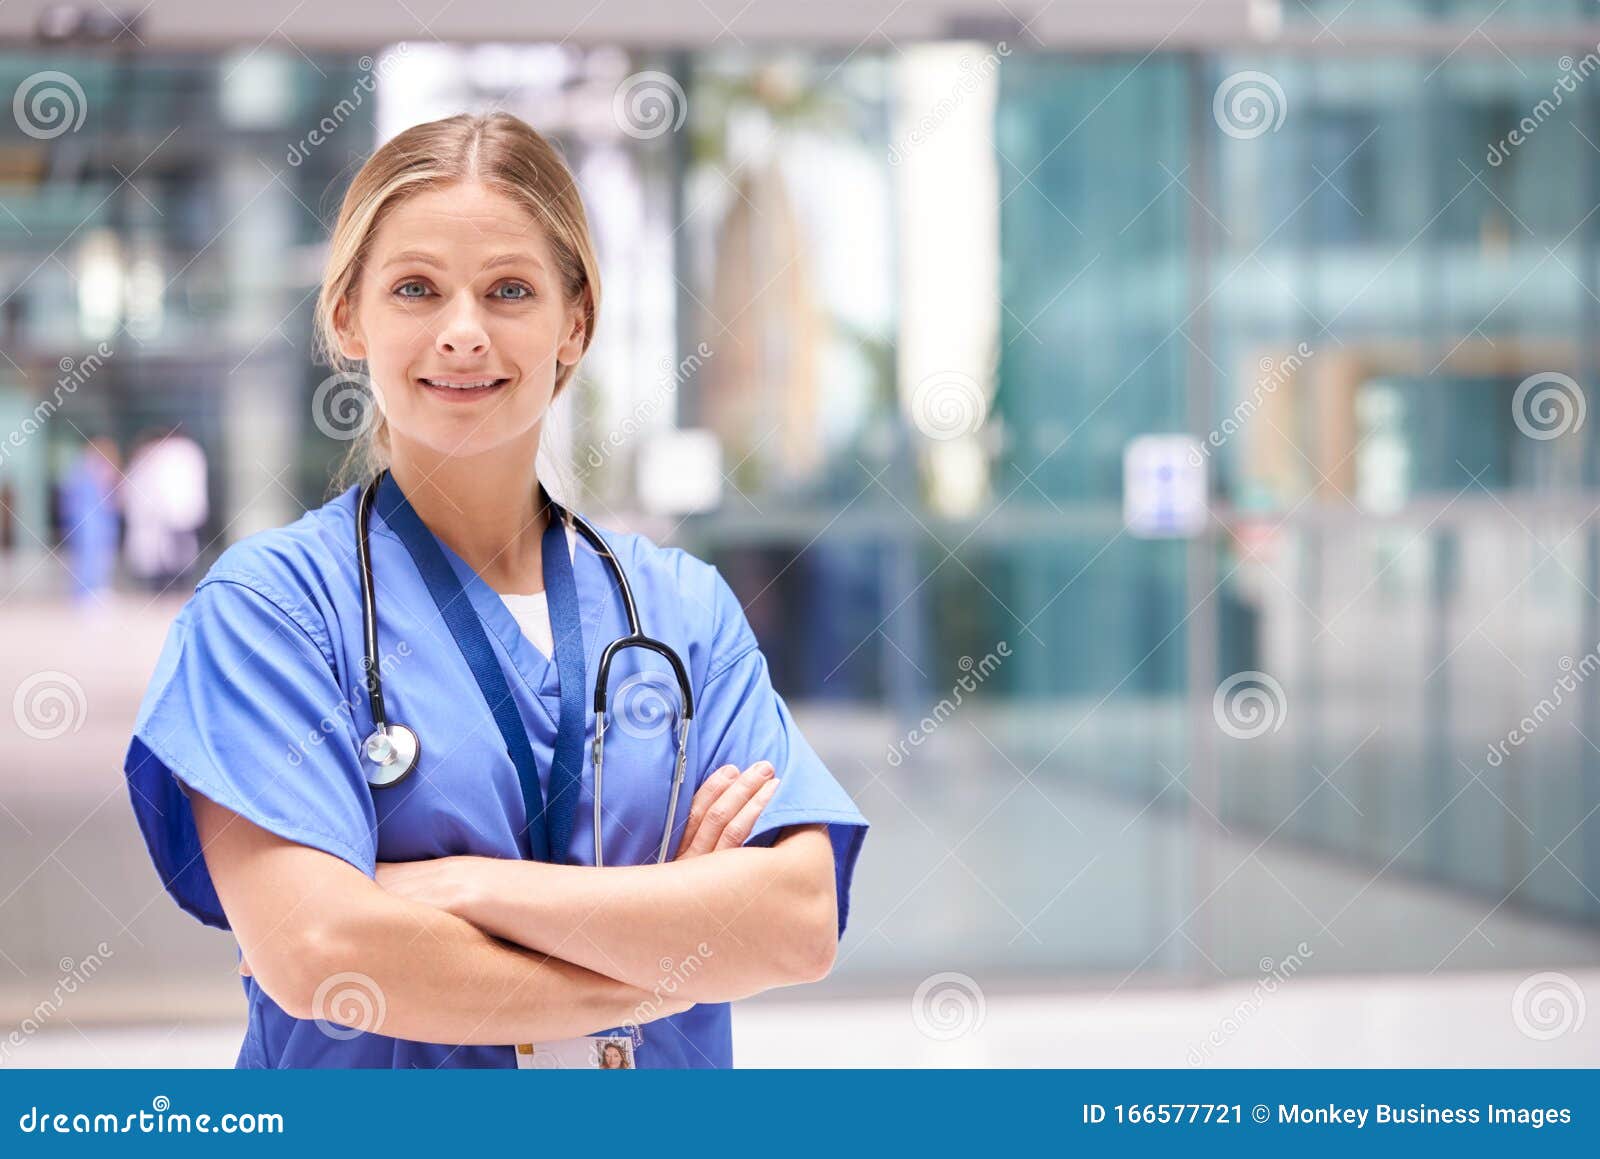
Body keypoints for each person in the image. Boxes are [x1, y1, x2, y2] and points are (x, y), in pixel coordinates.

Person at [122, 111, 869, 1069]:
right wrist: (679, 949)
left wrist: (469, 889)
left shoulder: (681, 610)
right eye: (416, 289)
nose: (463, 333)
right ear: (348, 317)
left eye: (510, 289)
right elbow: (324, 952)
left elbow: (798, 921)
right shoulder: (271, 612)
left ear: (577, 321)